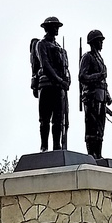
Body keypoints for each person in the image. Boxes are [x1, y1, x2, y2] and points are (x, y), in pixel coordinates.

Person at [33, 16, 70, 151]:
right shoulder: (41, 44)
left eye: (58, 27)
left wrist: (67, 80)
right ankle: (44, 146)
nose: (57, 29)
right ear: (48, 28)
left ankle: (56, 145)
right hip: (47, 85)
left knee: (59, 118)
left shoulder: (60, 48)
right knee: (45, 118)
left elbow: (65, 67)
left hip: (59, 87)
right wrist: (59, 80)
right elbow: (45, 64)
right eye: (54, 27)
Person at [79, 29, 112, 158]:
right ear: (93, 42)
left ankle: (98, 153)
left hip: (101, 96)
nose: (102, 43)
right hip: (91, 96)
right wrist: (99, 75)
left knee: (100, 127)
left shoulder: (100, 58)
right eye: (100, 41)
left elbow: (104, 80)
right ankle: (91, 153)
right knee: (92, 126)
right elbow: (82, 76)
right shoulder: (87, 57)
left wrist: (107, 94)